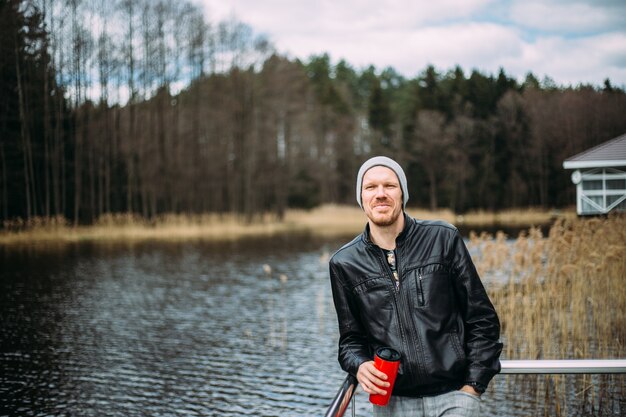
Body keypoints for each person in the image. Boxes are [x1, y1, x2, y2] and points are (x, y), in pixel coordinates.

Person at [329, 156, 502, 416]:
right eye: (371, 187)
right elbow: (350, 341)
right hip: (392, 403)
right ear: (361, 197)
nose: (380, 194)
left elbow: (482, 319)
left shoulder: (442, 239)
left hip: (454, 398)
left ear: (403, 194)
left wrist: (472, 388)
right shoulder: (345, 262)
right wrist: (360, 364)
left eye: (389, 186)